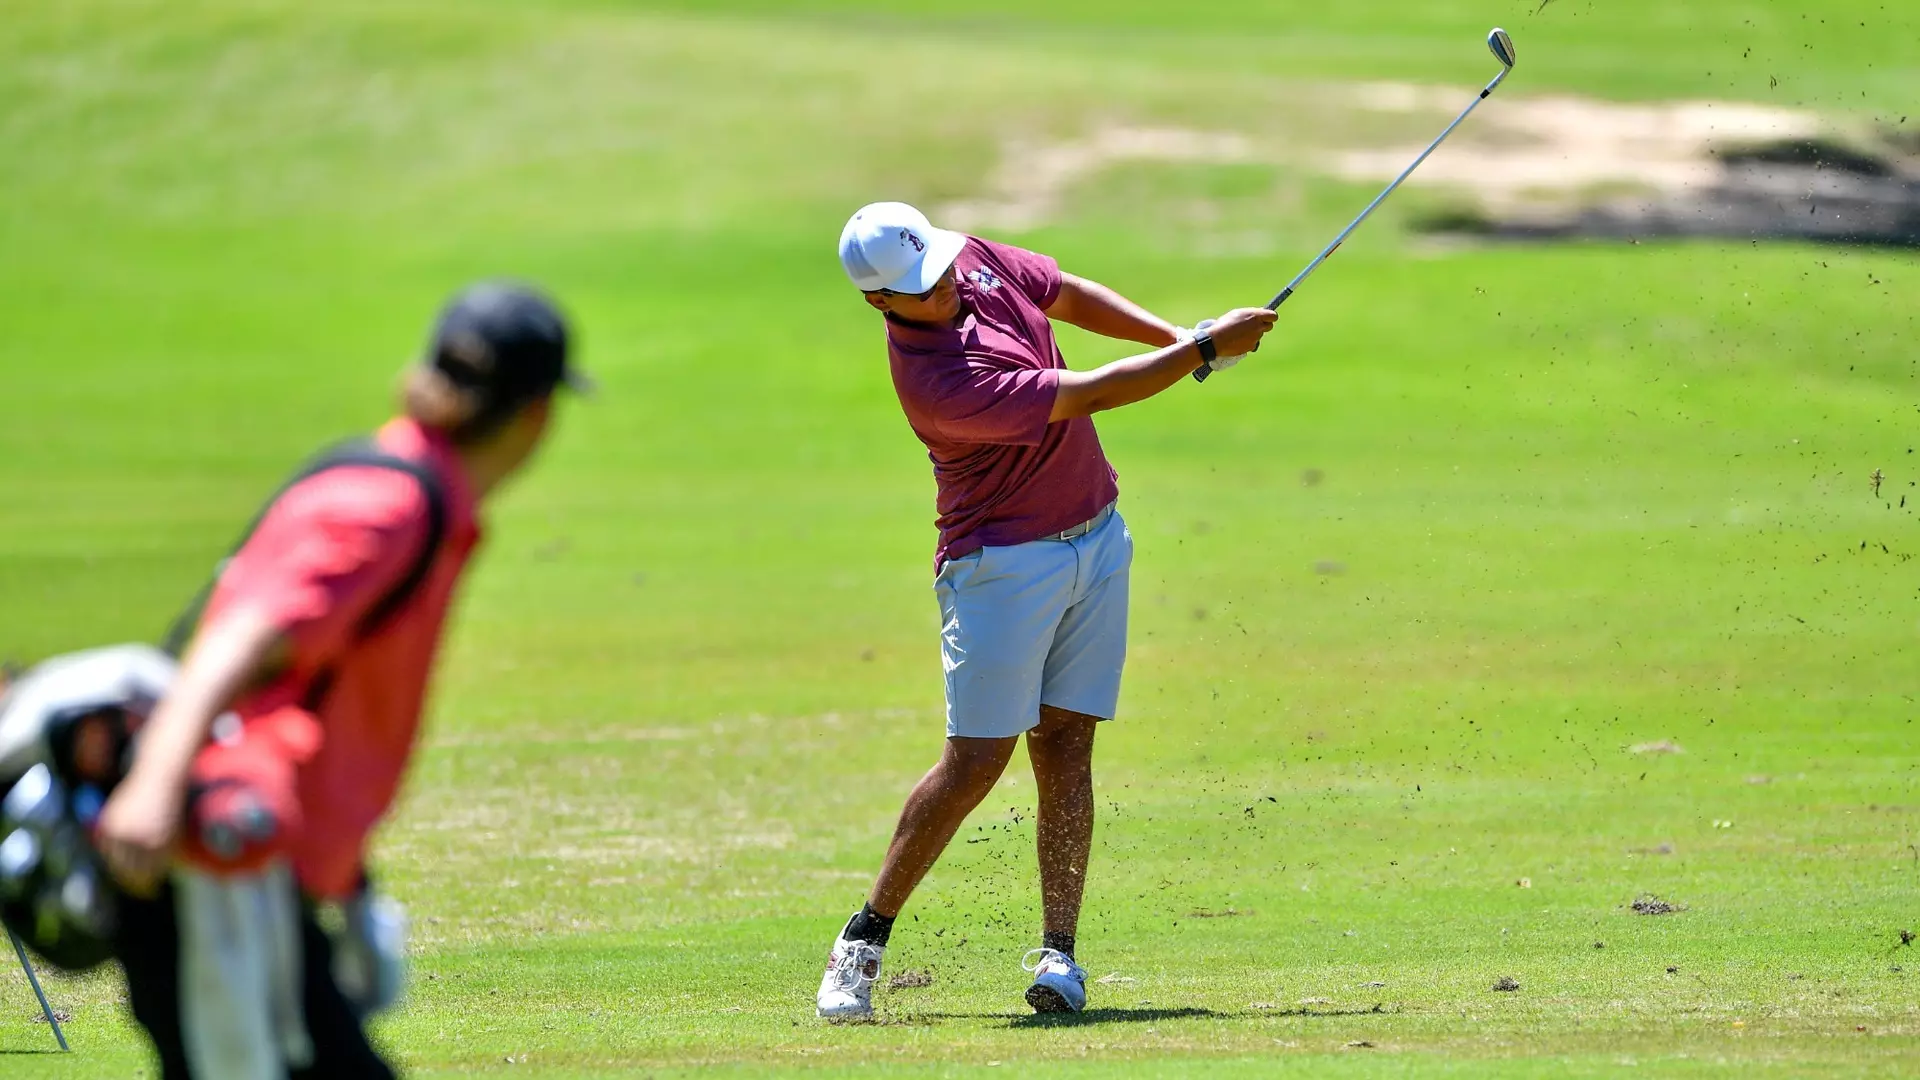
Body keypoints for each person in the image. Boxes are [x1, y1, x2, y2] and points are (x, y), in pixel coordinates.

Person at [91, 281, 588, 1078]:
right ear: (535, 417)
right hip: (212, 864)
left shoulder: (419, 496)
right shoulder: (390, 503)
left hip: (260, 873)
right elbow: (241, 640)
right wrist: (153, 787)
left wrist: (349, 882)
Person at [817, 202, 1277, 1018]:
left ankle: (1061, 957)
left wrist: (1178, 339)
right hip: (1001, 565)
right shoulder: (939, 382)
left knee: (1067, 746)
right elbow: (1090, 393)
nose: (948, 285)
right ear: (878, 303)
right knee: (976, 764)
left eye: (942, 267)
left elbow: (1064, 292)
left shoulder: (968, 261)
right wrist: (1201, 349)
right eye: (922, 288)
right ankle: (864, 940)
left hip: (1097, 539)